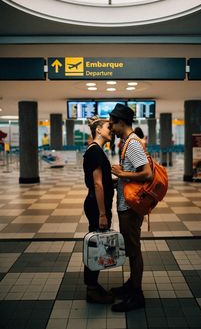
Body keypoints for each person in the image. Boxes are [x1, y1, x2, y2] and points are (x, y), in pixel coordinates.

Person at [108, 104, 153, 312]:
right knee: (132, 248)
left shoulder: (133, 143)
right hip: (127, 203)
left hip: (130, 207)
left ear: (122, 122)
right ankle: (131, 285)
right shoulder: (127, 141)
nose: (111, 127)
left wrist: (121, 174)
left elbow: (147, 174)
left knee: (134, 251)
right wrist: (118, 178)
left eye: (113, 123)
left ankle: (137, 294)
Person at [83, 116, 114, 304]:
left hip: (96, 204)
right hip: (96, 206)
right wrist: (103, 213)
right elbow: (97, 184)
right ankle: (92, 289)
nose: (112, 129)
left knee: (98, 245)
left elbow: (102, 182)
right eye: (108, 127)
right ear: (99, 130)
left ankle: (93, 286)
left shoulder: (96, 150)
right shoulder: (95, 151)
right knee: (97, 247)